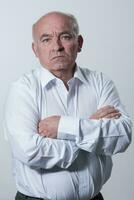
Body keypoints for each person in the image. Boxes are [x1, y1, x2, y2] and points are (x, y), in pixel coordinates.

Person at [4, 11, 132, 200]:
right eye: (46, 39)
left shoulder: (100, 82)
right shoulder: (23, 90)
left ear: (79, 43)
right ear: (35, 49)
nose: (57, 47)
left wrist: (62, 127)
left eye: (65, 36)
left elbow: (122, 135)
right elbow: (29, 151)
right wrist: (88, 130)